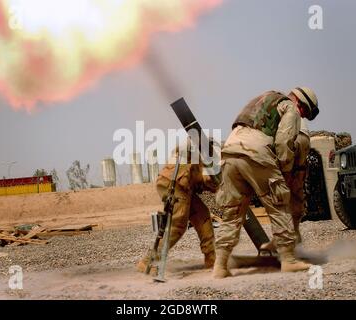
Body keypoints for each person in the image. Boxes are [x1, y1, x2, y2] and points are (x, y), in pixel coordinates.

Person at [213, 87, 320, 278]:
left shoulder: (262, 98)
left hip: (229, 151)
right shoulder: (291, 107)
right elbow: (283, 142)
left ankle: (220, 266)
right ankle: (289, 260)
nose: (302, 115)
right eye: (305, 112)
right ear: (301, 104)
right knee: (279, 203)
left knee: (232, 211)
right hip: (255, 152)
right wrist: (283, 173)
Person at [137, 141, 219, 273]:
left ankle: (211, 259)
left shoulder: (204, 154)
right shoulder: (204, 152)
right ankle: (148, 262)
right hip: (175, 183)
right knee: (178, 225)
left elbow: (203, 179)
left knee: (202, 215)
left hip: (185, 185)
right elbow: (206, 177)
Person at [260, 119, 311, 252]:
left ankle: (284, 241)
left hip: (286, 137)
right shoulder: (293, 110)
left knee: (280, 189)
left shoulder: (277, 108)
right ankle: (295, 237)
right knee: (297, 185)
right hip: (304, 136)